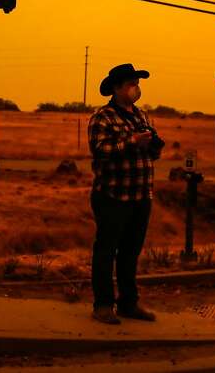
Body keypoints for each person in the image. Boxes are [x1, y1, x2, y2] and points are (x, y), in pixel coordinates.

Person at [87, 63, 165, 325]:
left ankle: (128, 303)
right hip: (112, 196)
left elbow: (153, 154)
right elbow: (101, 152)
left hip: (141, 195)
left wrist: (153, 144)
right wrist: (131, 142)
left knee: (131, 252)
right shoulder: (103, 117)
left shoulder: (141, 116)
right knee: (106, 251)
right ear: (117, 88)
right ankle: (103, 305)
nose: (136, 88)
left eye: (137, 82)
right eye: (131, 83)